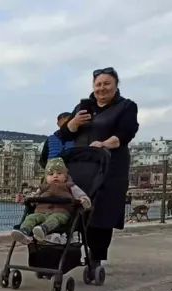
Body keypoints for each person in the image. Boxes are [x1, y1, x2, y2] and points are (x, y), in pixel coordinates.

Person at [59, 67, 139, 266]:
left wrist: (104, 144)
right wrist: (74, 122)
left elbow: (126, 133)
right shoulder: (83, 106)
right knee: (76, 207)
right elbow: (65, 134)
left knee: (102, 212)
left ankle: (96, 256)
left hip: (110, 166)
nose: (101, 88)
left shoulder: (126, 106)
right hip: (82, 166)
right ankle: (67, 252)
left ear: (115, 85)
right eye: (98, 84)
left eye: (106, 83)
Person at [11, 158, 91, 244]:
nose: (55, 176)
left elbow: (81, 195)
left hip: (61, 213)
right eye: (51, 174)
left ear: (65, 176)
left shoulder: (69, 186)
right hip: (41, 212)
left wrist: (84, 200)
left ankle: (43, 229)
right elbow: (32, 198)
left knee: (55, 218)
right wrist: (22, 199)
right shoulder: (42, 188)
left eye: (59, 173)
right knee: (30, 217)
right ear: (46, 177)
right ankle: (25, 232)